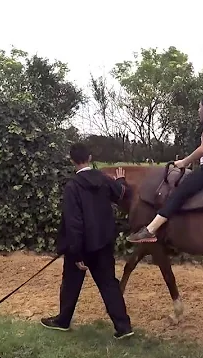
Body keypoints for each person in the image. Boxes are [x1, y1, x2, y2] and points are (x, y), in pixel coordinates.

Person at [41, 143, 134, 340]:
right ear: (90, 158)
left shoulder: (72, 186)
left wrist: (76, 253)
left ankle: (63, 321)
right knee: (109, 284)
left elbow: (73, 223)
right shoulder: (104, 179)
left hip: (81, 247)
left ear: (71, 160)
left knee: (70, 284)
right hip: (103, 244)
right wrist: (122, 180)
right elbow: (122, 193)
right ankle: (124, 327)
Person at [127, 94, 203, 243]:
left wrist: (184, 162)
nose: (198, 110)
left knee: (179, 194)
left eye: (200, 107)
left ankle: (150, 230)